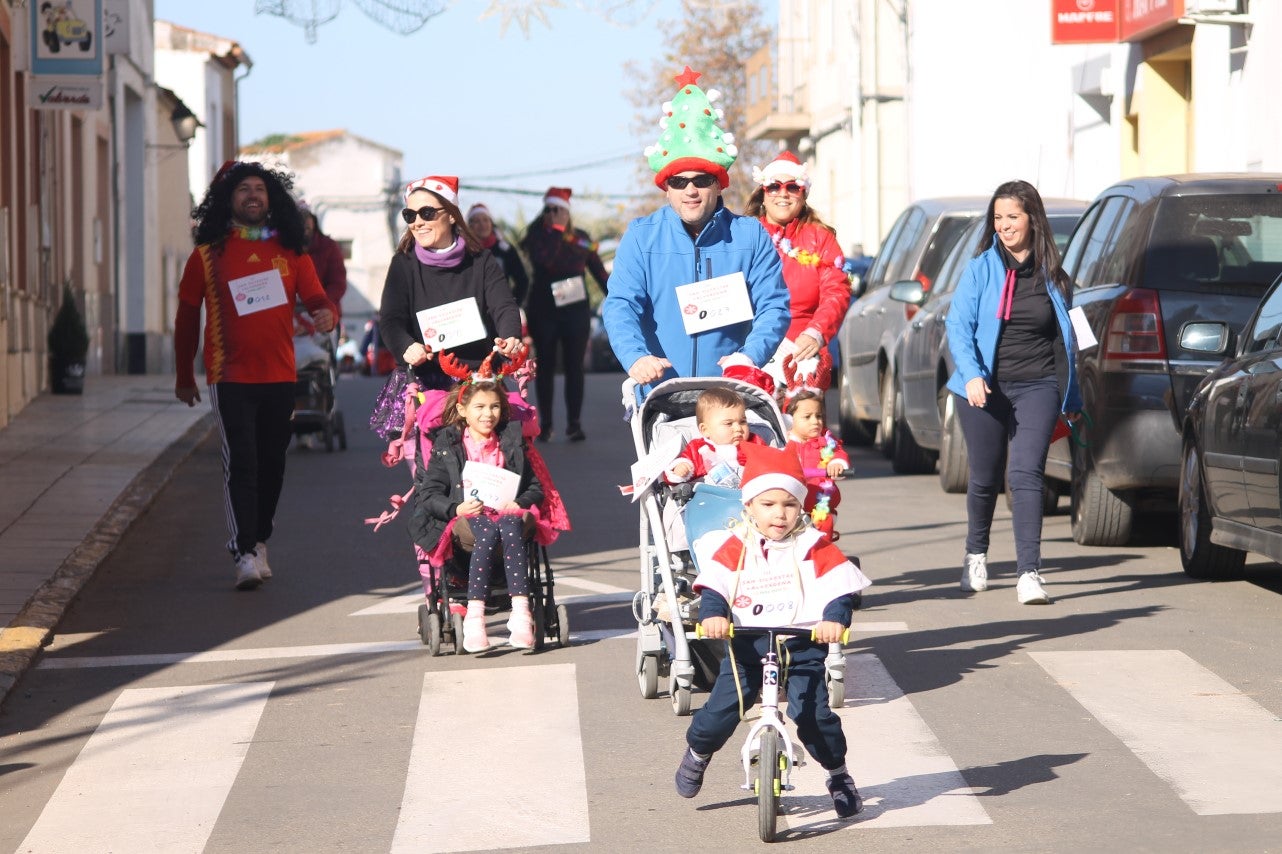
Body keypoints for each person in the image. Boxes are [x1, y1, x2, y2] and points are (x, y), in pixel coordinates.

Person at [675, 442, 872, 817]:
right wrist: (713, 615)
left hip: (802, 642)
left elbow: (840, 590)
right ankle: (698, 752)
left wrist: (834, 619)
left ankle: (838, 774)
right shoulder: (737, 545)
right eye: (768, 505)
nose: (779, 514)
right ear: (748, 506)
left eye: (789, 504)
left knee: (813, 715)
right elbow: (716, 586)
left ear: (801, 506)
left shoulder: (814, 545)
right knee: (719, 712)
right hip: (748, 643)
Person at [173, 160, 337, 590]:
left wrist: (326, 316)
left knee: (272, 465)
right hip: (229, 377)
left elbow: (319, 299)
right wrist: (183, 375)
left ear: (271, 199)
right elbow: (188, 318)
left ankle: (260, 539)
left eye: (259, 189)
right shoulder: (206, 256)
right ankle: (243, 551)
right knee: (241, 463)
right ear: (228, 200)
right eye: (243, 189)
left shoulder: (291, 252)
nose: (252, 196)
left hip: (281, 376)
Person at [602, 66, 790, 390]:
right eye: (679, 181)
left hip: (728, 395)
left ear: (719, 185)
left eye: (701, 180)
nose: (690, 191)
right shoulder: (641, 236)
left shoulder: (750, 235)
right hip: (661, 394)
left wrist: (748, 358)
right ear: (666, 187)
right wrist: (636, 358)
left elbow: (774, 306)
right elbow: (620, 305)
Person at [945, 179, 1082, 605]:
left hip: (1037, 384)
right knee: (984, 477)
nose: (1004, 226)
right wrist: (970, 375)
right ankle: (976, 554)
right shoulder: (980, 269)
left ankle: (1029, 573)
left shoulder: (1055, 277)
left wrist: (1073, 392)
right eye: (998, 218)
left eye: (1013, 218)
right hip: (983, 386)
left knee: (1026, 475)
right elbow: (958, 326)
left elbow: (1073, 337)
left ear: (1032, 220)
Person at [416, 376, 544, 652]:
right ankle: (475, 618)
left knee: (511, 525)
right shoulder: (447, 445)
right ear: (463, 410)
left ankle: (521, 615)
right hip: (467, 519)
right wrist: (456, 508)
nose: (488, 414)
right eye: (480, 407)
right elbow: (429, 495)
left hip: (506, 512)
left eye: (495, 407)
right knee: (485, 530)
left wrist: (519, 501)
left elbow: (536, 487)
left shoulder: (511, 440)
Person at [379, 175, 525, 391]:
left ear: (451, 216)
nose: (418, 222)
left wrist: (510, 337)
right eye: (410, 215)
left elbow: (503, 306)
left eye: (427, 213)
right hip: (424, 380)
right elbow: (391, 320)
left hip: (479, 378)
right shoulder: (403, 264)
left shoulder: (481, 260)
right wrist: (406, 346)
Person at [744, 151, 851, 384]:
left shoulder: (822, 239)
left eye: (792, 187)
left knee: (804, 421)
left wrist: (816, 333)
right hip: (750, 350)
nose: (783, 193)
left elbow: (837, 291)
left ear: (803, 195)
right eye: (774, 186)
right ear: (763, 194)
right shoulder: (743, 236)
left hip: (803, 355)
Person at [520, 188, 609, 442]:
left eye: (557, 209)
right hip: (544, 310)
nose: (552, 214)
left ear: (567, 212)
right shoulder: (536, 237)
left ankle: (574, 423)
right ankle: (545, 425)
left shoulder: (580, 239)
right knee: (546, 366)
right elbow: (546, 261)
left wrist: (617, 297)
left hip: (575, 310)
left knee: (574, 367)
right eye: (548, 209)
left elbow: (599, 272)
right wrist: (556, 231)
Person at [783, 354, 850, 541]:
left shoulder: (826, 443)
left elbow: (838, 453)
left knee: (825, 523)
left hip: (817, 508)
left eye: (819, 416)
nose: (815, 421)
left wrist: (837, 464)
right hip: (786, 505)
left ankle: (822, 561)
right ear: (789, 419)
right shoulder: (783, 443)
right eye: (807, 417)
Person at [662, 386, 765, 487]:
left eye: (742, 422)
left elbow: (769, 463)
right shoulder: (698, 448)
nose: (738, 428)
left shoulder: (754, 442)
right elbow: (672, 478)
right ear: (705, 430)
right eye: (729, 424)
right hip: (710, 498)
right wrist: (679, 469)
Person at [467, 203, 530, 306]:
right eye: (477, 221)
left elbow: (522, 281)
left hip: (500, 309)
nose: (482, 225)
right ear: (470, 226)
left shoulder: (505, 250)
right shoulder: (465, 251)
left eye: (485, 220)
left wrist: (512, 306)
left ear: (491, 223)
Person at [301, 205, 348, 321]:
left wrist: (323, 305)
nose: (304, 223)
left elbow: (338, 283)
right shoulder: (283, 247)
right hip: (291, 316)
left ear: (313, 222)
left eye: (307, 217)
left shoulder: (329, 246)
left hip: (323, 311)